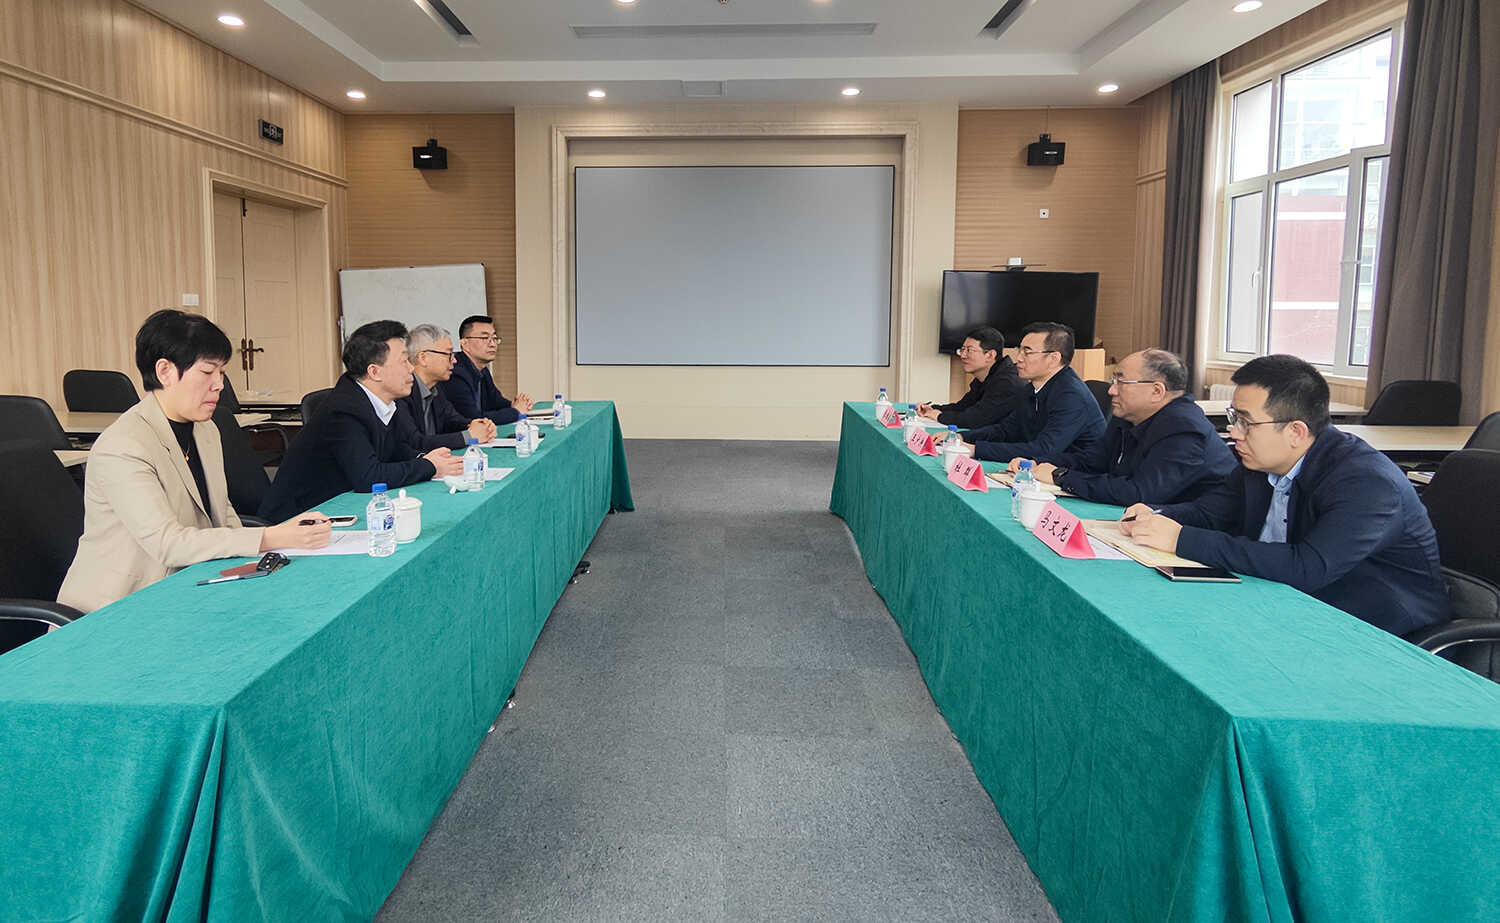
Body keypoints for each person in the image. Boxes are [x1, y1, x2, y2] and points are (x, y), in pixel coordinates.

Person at [1120, 354, 1447, 637]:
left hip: (1375, 624)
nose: (1233, 433)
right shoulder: (1259, 462)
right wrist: (1157, 515)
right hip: (1287, 600)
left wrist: (1180, 539)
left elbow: (1307, 567)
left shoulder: (1367, 483)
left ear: (1295, 431)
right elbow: (1210, 513)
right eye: (1234, 418)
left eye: (1245, 422)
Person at [58, 310, 330, 613]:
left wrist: (258, 560)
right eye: (207, 372)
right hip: (119, 606)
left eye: (222, 373)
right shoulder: (123, 446)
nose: (219, 385)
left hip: (187, 587)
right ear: (165, 372)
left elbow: (222, 516)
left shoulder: (205, 430)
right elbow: (168, 544)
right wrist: (270, 537)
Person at [259, 320, 464, 523]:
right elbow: (369, 477)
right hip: (298, 520)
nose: (411, 368)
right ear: (374, 372)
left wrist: (427, 457)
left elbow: (396, 449)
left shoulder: (383, 401)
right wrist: (429, 466)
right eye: (404, 361)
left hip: (341, 509)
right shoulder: (343, 410)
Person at [1006, 348, 1236, 506]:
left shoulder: (1184, 429)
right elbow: (1092, 461)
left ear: (1157, 391)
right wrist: (1040, 464)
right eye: (1113, 381)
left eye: (1121, 382)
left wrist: (1060, 476)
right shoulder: (1128, 415)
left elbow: (1139, 493)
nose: (1111, 390)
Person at [958, 322, 1104, 464]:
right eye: (1019, 350)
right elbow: (1006, 430)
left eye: (1027, 352)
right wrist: (961, 437)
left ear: (1053, 359)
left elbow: (1043, 449)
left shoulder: (1071, 396)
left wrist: (976, 450)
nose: (1019, 358)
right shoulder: (1031, 388)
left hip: (1075, 472)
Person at [396, 324, 497, 451]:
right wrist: (469, 436)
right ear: (423, 358)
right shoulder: (401, 392)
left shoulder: (436, 387)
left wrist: (475, 425)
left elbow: (452, 420)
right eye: (449, 354)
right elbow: (415, 442)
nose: (454, 361)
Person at [916, 326, 1024, 429]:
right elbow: (962, 407)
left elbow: (975, 419)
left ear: (990, 355)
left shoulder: (1007, 382)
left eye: (969, 350)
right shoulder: (984, 376)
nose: (963, 355)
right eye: (962, 350)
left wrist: (939, 416)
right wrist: (932, 409)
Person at [439, 315, 533, 426]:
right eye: (484, 338)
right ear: (465, 344)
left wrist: (515, 404)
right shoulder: (455, 373)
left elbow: (496, 402)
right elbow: (472, 418)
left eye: (494, 338)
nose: (492, 344)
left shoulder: (482, 369)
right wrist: (515, 411)